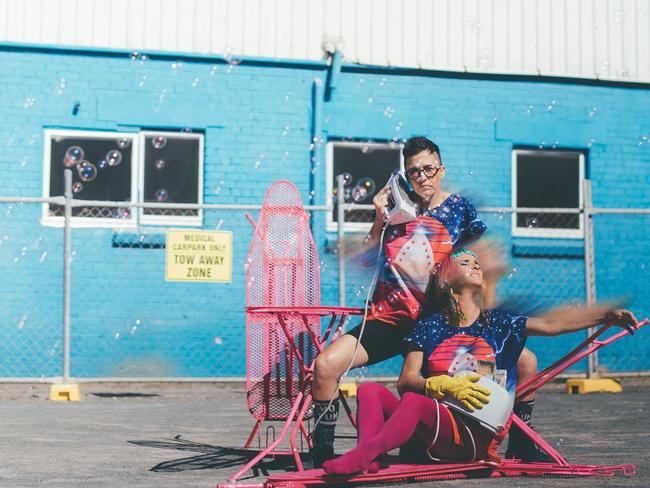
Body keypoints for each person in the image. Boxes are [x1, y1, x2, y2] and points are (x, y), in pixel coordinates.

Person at [310, 136, 542, 465]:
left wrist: (485, 315)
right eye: (413, 172)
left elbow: (480, 265)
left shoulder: (460, 209)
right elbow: (368, 251)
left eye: (428, 169)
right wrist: (378, 217)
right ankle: (321, 454)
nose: (421, 177)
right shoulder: (395, 204)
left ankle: (520, 441)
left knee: (526, 361)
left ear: (441, 169)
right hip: (389, 318)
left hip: (439, 324)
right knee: (325, 366)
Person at [322, 249, 638, 475]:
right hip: (436, 426)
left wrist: (604, 316)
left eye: (477, 263)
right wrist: (438, 383)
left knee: (415, 405)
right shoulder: (430, 326)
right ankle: (369, 457)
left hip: (472, 434)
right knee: (371, 392)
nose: (475, 264)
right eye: (465, 261)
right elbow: (406, 382)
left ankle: (362, 455)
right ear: (446, 278)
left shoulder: (498, 322)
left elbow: (552, 326)